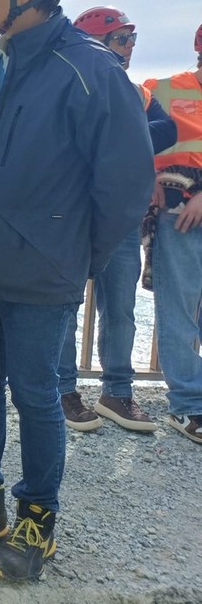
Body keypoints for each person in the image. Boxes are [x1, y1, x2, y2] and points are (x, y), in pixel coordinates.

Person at [0, 0, 154, 581]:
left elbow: (127, 185)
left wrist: (75, 259)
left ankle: (37, 518)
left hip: (43, 273)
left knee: (36, 396)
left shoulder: (90, 70)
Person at [58, 7, 176, 433]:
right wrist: (127, 137)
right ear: (96, 43)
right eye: (122, 39)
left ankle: (117, 393)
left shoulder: (135, 92)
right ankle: (62, 391)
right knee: (63, 306)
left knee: (121, 310)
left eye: (132, 39)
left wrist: (116, 135)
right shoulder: (68, 86)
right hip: (73, 215)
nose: (130, 47)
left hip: (121, 218)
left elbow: (168, 130)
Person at [141, 23, 202, 445]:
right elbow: (133, 136)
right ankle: (189, 405)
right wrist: (149, 176)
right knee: (178, 310)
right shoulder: (160, 89)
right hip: (177, 214)